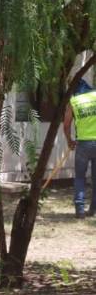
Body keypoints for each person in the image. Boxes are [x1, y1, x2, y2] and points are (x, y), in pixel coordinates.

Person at [64, 79, 96, 218]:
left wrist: (69, 140)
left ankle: (80, 210)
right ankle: (93, 209)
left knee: (80, 177)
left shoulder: (74, 101)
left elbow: (66, 125)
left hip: (83, 144)